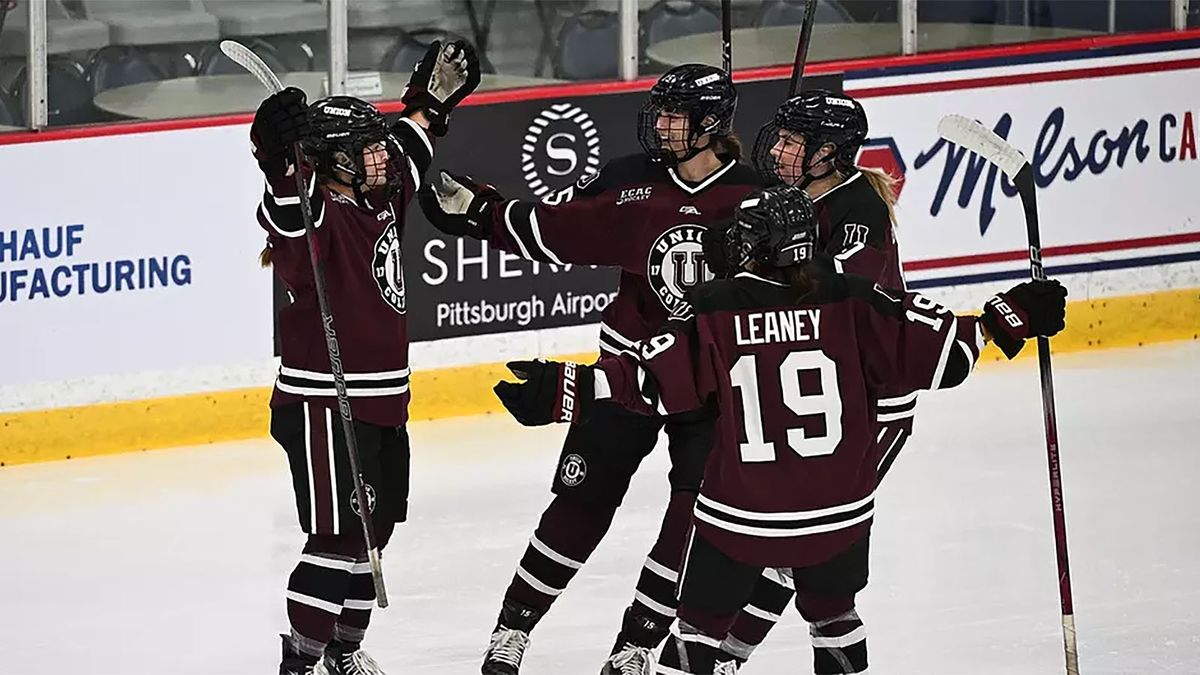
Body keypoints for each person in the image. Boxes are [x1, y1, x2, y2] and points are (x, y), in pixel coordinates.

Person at [491, 185, 1068, 674]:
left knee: (697, 629)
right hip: (840, 517)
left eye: (744, 236)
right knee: (835, 616)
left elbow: (653, 380)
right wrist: (1009, 315)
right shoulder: (854, 299)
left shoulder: (718, 307)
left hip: (743, 516)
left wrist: (563, 389)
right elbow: (944, 357)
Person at [418, 64, 760, 674]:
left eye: (674, 115)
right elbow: (562, 230)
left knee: (694, 517)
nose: (660, 125)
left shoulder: (754, 202)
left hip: (714, 389)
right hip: (627, 372)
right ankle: (512, 630)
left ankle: (635, 645)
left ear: (711, 125)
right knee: (581, 503)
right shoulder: (634, 179)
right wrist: (481, 212)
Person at [252, 41, 480, 675]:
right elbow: (284, 208)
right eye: (365, 150)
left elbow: (411, 139)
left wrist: (430, 105)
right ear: (332, 163)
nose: (381, 157)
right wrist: (273, 155)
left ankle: (343, 652)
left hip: (382, 396)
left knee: (374, 533)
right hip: (326, 403)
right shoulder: (316, 206)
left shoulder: (382, 186)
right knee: (338, 538)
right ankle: (299, 661)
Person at [713, 89, 916, 665]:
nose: (775, 150)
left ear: (829, 153)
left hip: (872, 406)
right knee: (790, 545)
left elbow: (830, 303)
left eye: (791, 141)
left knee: (805, 552)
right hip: (824, 397)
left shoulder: (859, 213)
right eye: (778, 137)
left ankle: (727, 654)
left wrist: (761, 256)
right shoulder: (797, 196)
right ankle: (728, 653)